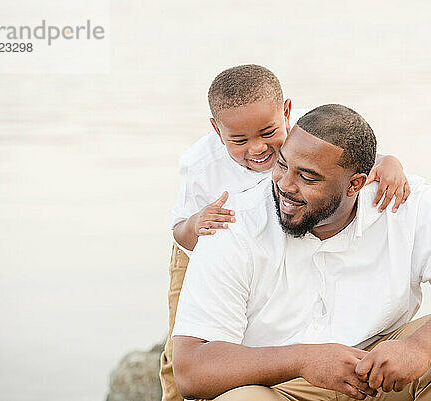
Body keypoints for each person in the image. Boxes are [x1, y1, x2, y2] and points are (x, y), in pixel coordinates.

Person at [171, 104, 431, 401]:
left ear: (356, 184)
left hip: (380, 378)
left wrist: (419, 347)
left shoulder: (402, 202)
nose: (284, 186)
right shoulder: (230, 224)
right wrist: (302, 360)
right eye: (282, 165)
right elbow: (191, 367)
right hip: (280, 388)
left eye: (307, 178)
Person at [161, 65, 412, 401]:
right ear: (216, 131)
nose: (258, 148)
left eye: (268, 133)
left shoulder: (306, 131)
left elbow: (348, 158)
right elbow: (179, 231)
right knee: (183, 346)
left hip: (275, 236)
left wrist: (390, 161)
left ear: (287, 112)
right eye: (239, 140)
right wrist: (197, 225)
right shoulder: (200, 165)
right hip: (200, 250)